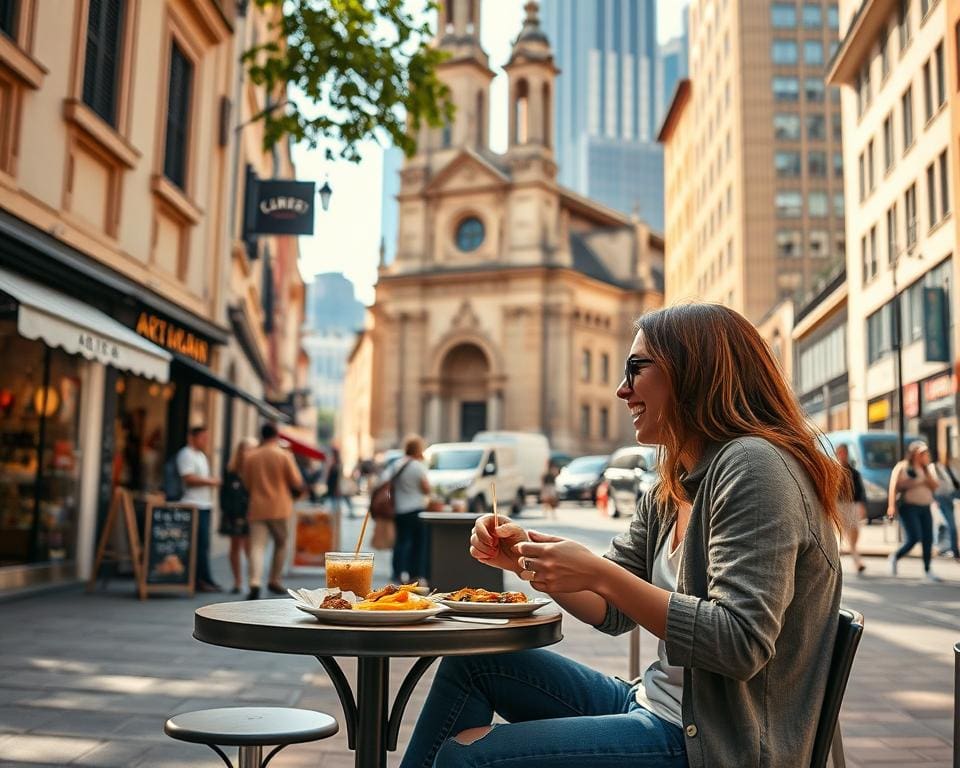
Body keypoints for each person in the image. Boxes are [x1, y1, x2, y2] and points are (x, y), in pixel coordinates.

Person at [400, 303, 847, 768]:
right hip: (654, 706)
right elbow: (612, 611)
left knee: (467, 758)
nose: (622, 389)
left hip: (716, 744)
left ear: (692, 371)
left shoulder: (755, 466)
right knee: (474, 663)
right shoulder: (672, 485)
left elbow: (739, 644)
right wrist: (528, 560)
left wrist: (598, 572)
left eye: (636, 368)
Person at [241, 422, 305, 600]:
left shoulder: (250, 456)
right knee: (281, 543)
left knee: (257, 546)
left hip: (257, 506)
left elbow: (246, 482)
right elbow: (296, 480)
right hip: (280, 507)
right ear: (277, 435)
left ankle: (254, 582)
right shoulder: (283, 455)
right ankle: (274, 580)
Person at [887, 441, 941, 582]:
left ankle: (928, 569)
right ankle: (895, 556)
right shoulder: (903, 467)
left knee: (928, 538)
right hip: (909, 507)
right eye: (921, 453)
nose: (925, 455)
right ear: (914, 453)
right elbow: (893, 486)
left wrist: (926, 474)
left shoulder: (926, 469)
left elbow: (935, 486)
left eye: (926, 453)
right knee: (914, 537)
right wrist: (891, 506)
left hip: (925, 507)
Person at [176, 426, 222, 593]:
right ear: (193, 438)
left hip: (204, 504)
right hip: (193, 504)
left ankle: (205, 578)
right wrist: (212, 482)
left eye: (206, 438)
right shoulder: (186, 454)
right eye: (202, 438)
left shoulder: (201, 455)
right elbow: (188, 478)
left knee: (203, 545)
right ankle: (198, 580)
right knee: (198, 545)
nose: (205, 441)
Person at [389, 434, 431, 584]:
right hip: (415, 510)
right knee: (417, 544)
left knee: (400, 542)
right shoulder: (417, 466)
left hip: (399, 510)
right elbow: (427, 489)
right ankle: (414, 574)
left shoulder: (397, 464)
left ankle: (397, 573)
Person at [219, 437, 256, 594]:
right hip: (233, 514)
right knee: (235, 547)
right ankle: (237, 582)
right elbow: (224, 494)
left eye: (251, 449)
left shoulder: (256, 471)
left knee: (250, 548)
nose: (247, 452)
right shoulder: (231, 471)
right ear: (239, 451)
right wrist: (227, 510)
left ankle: (253, 580)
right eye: (245, 449)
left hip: (251, 514)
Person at [836, 443, 866, 575]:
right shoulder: (833, 471)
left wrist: (861, 506)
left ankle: (855, 561)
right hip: (838, 506)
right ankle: (856, 562)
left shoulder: (853, 473)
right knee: (841, 536)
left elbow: (860, 491)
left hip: (851, 505)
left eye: (844, 452)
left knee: (853, 534)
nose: (842, 455)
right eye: (840, 452)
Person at [931, 454, 960, 560]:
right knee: (950, 526)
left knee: (944, 525)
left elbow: (954, 485)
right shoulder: (932, 468)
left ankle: (945, 549)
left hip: (949, 498)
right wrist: (934, 499)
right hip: (940, 499)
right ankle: (954, 551)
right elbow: (930, 485)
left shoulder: (948, 468)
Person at [324, 447, 354, 519]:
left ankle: (336, 521)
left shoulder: (338, 465)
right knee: (334, 506)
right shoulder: (332, 464)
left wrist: (338, 488)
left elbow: (339, 478)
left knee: (336, 507)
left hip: (335, 489)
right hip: (331, 488)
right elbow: (328, 477)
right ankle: (334, 520)